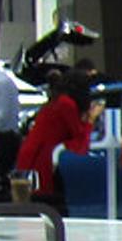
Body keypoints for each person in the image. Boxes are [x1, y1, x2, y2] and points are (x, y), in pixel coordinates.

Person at [13, 65, 102, 208]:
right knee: (41, 201)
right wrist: (91, 120)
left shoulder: (58, 101)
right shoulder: (66, 104)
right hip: (40, 156)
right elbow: (79, 135)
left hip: (36, 152)